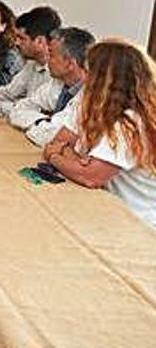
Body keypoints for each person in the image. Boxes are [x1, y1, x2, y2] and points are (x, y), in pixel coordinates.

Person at [44, 39, 156, 229]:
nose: (84, 78)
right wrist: (76, 159)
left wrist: (54, 156)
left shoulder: (131, 122)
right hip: (108, 211)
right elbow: (64, 144)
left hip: (137, 223)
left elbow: (90, 177)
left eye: (89, 71)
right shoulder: (101, 109)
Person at [8, 27, 95, 146]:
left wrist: (43, 126)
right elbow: (18, 109)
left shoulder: (91, 95)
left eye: (51, 55)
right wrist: (43, 121)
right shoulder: (57, 83)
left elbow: (50, 137)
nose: (47, 60)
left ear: (70, 63)